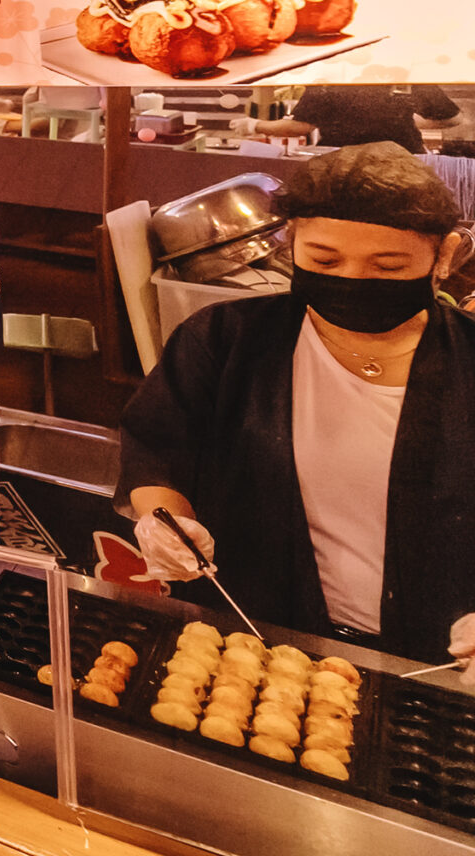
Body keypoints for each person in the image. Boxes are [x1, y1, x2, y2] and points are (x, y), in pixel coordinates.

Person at [121, 143, 475, 673]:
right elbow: (158, 450)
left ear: (444, 255)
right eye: (324, 260)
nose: (353, 279)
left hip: (439, 661)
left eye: (389, 264)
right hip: (258, 640)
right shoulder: (224, 340)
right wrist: (164, 522)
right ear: (291, 243)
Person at [257, 84, 462, 152]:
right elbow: (453, 118)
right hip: (405, 157)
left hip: (343, 163)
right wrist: (407, 120)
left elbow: (300, 127)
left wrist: (255, 125)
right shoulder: (406, 73)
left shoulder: (330, 77)